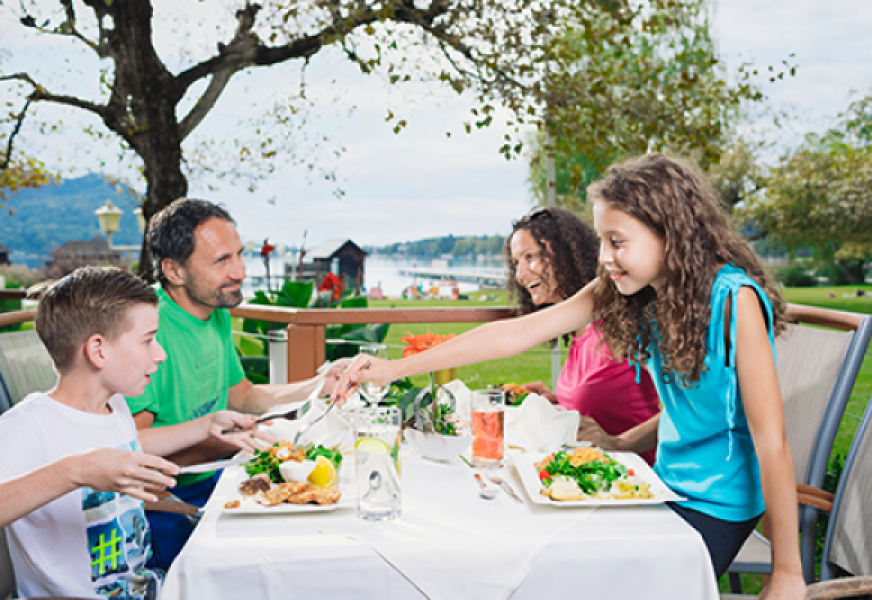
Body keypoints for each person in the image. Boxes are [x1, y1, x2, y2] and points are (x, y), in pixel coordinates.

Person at [336, 154, 806, 598]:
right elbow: (519, 333)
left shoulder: (734, 300)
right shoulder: (638, 291)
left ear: (670, 233)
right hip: (662, 485)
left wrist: (787, 571)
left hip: (718, 506)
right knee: (550, 552)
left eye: (617, 241)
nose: (604, 256)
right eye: (603, 240)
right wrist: (395, 368)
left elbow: (772, 443)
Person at [0, 267, 270, 599]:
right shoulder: (27, 426)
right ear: (98, 351)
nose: (160, 354)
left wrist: (205, 427)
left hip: (145, 585)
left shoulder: (115, 406)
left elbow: (129, 447)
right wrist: (76, 472)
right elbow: (85, 463)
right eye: (148, 340)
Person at [127, 197, 348, 569]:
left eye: (239, 255)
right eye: (221, 261)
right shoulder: (147, 330)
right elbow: (134, 449)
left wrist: (318, 384)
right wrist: (226, 442)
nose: (241, 271)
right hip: (164, 506)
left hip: (218, 480)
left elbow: (242, 395)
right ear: (174, 271)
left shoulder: (213, 313)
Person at [505, 206, 660, 465]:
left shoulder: (619, 323)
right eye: (516, 263)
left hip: (635, 482)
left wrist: (619, 444)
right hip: (593, 478)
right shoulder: (579, 330)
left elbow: (689, 408)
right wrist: (557, 402)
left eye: (530, 257)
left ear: (563, 255)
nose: (521, 275)